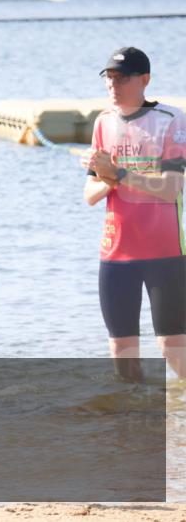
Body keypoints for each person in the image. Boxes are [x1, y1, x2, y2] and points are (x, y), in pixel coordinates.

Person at [81, 47, 186, 382]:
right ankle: (133, 426)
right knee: (122, 351)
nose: (114, 84)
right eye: (110, 78)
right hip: (116, 253)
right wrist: (108, 178)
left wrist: (120, 175)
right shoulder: (103, 122)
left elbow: (172, 188)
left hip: (165, 252)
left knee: (172, 347)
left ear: (144, 80)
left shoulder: (171, 120)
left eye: (122, 78)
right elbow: (90, 195)